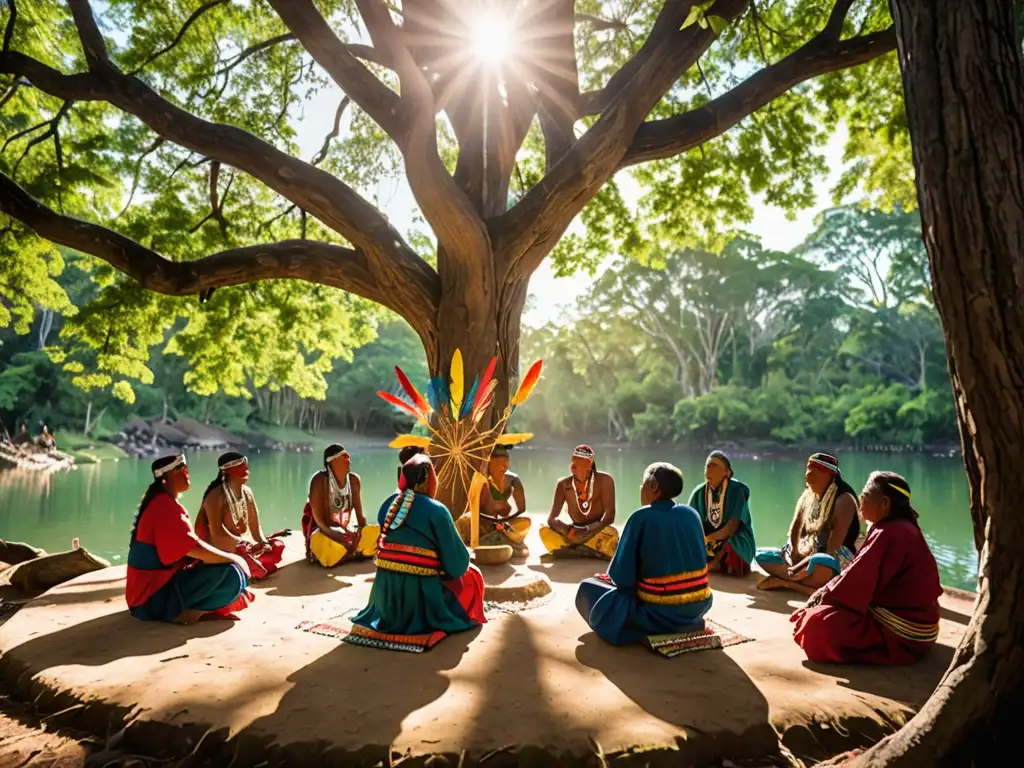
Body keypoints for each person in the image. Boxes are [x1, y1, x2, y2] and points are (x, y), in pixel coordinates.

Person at [791, 472, 942, 665]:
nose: (861, 501)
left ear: (885, 504)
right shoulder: (902, 527)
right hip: (923, 627)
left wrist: (822, 596)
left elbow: (856, 583)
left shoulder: (888, 532)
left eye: (866, 496)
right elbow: (859, 572)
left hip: (904, 635)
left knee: (816, 625)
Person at [347, 454, 486, 651]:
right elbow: (458, 565)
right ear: (429, 479)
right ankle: (433, 616)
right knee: (473, 577)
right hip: (421, 592)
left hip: (386, 594)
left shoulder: (388, 504)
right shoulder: (437, 510)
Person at [575, 463, 713, 646]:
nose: (640, 488)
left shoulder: (641, 517)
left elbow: (621, 578)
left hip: (657, 612)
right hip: (697, 607)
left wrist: (609, 580)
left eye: (643, 483)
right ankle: (685, 624)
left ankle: (651, 628)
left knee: (588, 588)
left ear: (654, 486)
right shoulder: (692, 513)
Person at [125, 454, 253, 624]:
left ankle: (193, 609)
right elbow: (192, 547)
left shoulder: (164, 503)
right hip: (149, 600)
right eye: (180, 469)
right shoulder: (163, 506)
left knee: (233, 570)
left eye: (185, 467)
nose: (186, 472)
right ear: (164, 479)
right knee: (231, 574)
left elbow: (187, 549)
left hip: (153, 592)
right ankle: (184, 613)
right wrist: (234, 558)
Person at [754, 453, 859, 595]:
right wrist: (796, 551)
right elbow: (795, 526)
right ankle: (806, 583)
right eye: (807, 469)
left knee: (820, 562)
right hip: (807, 554)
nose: (806, 474)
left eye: (811, 469)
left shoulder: (844, 499)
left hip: (833, 560)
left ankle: (788, 583)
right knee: (761, 556)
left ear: (827, 474)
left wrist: (804, 563)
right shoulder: (807, 495)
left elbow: (833, 550)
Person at [195, 452, 286, 580]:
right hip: (221, 550)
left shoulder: (247, 492)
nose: (245, 470)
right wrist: (242, 544)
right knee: (245, 561)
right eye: (239, 467)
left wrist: (262, 542)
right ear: (226, 471)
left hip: (243, 547)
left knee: (276, 546)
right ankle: (244, 568)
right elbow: (216, 533)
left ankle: (249, 567)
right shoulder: (215, 496)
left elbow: (255, 526)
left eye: (245, 466)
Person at [302, 444, 378, 567]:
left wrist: (358, 533)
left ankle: (349, 552)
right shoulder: (319, 481)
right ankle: (353, 553)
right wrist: (335, 535)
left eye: (348, 457)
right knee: (328, 548)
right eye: (343, 457)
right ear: (331, 462)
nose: (348, 460)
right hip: (326, 534)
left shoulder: (354, 480)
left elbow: (360, 518)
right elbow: (320, 523)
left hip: (348, 531)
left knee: (377, 533)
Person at [539, 445, 618, 559]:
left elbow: (610, 516)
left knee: (612, 534)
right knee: (544, 530)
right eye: (573, 461)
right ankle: (588, 550)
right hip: (574, 532)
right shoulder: (563, 484)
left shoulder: (605, 480)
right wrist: (567, 530)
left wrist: (589, 532)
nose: (573, 466)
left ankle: (573, 549)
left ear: (589, 463)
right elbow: (552, 518)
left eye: (578, 461)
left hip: (597, 530)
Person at [455, 444, 531, 557]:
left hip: (504, 523)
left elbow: (522, 508)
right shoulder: (481, 480)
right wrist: (491, 520)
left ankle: (500, 536)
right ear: (489, 464)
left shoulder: (513, 479)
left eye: (505, 464)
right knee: (463, 522)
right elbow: (474, 507)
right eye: (498, 465)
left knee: (526, 521)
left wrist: (504, 522)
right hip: (481, 522)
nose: (502, 468)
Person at [688, 451, 756, 575]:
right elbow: (690, 525)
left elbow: (731, 528)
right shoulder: (698, 493)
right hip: (708, 541)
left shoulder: (738, 490)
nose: (708, 468)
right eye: (707, 465)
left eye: (714, 465)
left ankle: (716, 564)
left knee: (732, 549)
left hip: (734, 539)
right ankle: (714, 564)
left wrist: (707, 539)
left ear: (727, 472)